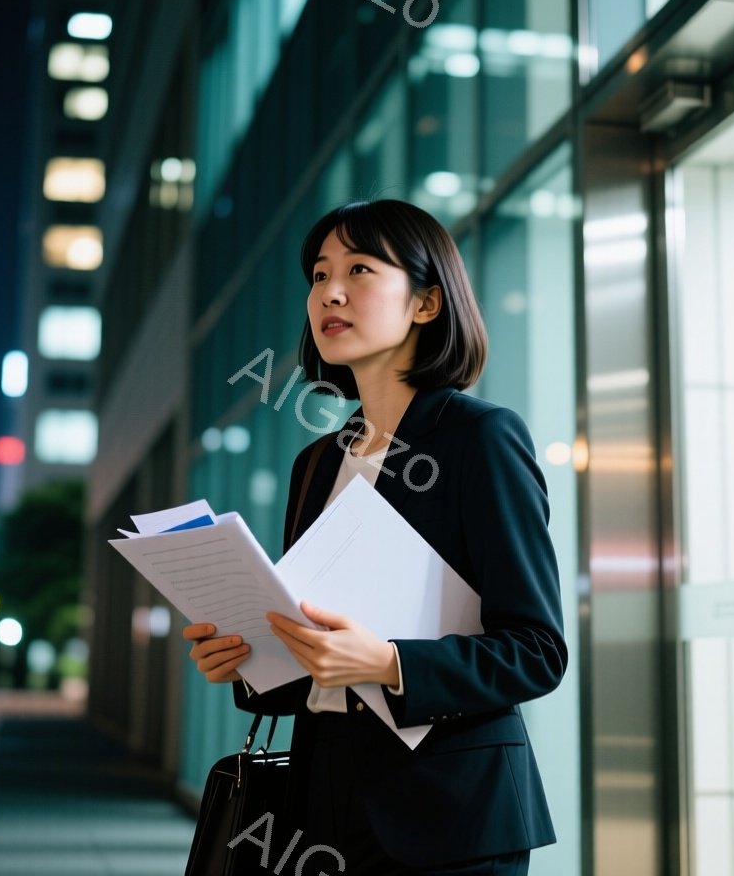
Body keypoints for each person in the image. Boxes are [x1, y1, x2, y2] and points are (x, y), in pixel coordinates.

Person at [182, 199, 567, 875]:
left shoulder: (482, 441)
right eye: (319, 272)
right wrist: (246, 658)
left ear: (425, 303)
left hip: (451, 816)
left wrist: (389, 662)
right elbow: (317, 669)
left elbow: (536, 652)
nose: (329, 290)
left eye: (359, 269)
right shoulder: (318, 464)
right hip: (319, 805)